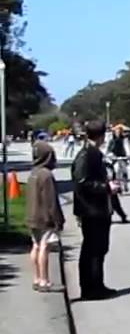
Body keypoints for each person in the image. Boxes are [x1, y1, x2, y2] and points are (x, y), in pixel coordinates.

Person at [72, 120, 117, 300]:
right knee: (92, 250)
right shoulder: (86, 155)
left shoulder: (94, 153)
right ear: (100, 136)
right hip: (91, 210)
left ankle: (98, 284)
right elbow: (82, 183)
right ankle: (90, 288)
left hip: (99, 209)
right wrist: (106, 187)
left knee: (100, 249)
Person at [26, 140, 64, 292]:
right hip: (45, 217)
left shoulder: (33, 173)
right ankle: (44, 280)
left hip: (32, 216)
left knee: (35, 245)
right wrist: (57, 219)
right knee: (44, 246)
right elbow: (51, 201)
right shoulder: (46, 175)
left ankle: (36, 277)